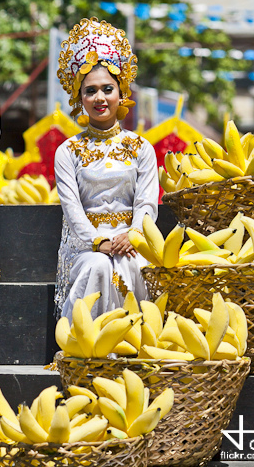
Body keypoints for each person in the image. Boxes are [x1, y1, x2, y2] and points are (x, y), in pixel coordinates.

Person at [54, 18, 159, 320]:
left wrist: (135, 233)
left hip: (131, 239)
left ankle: (135, 343)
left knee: (135, 264)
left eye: (107, 89)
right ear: (79, 98)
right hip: (87, 245)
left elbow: (147, 202)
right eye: (91, 91)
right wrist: (97, 240)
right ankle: (84, 345)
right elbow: (72, 209)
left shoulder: (141, 147)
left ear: (121, 92)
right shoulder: (68, 151)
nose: (99, 98)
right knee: (98, 265)